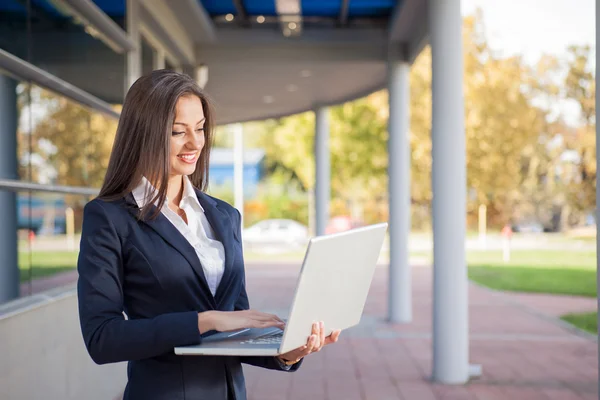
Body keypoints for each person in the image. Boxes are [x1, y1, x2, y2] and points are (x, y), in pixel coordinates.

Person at [77, 69, 341, 400]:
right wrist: (204, 321)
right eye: (178, 132)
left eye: (200, 129)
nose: (195, 143)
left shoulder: (224, 216)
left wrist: (288, 352)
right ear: (144, 133)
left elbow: (235, 331)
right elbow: (102, 338)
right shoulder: (109, 217)